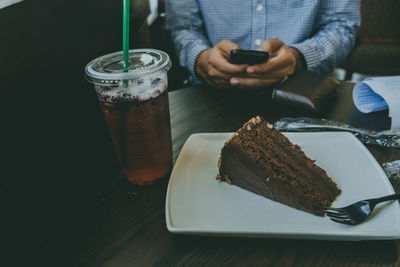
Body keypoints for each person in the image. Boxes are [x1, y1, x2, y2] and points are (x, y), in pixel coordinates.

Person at [166, 0, 360, 90]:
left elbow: (341, 26)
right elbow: (183, 26)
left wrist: (299, 57)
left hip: (301, 90)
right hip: (209, 93)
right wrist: (200, 59)